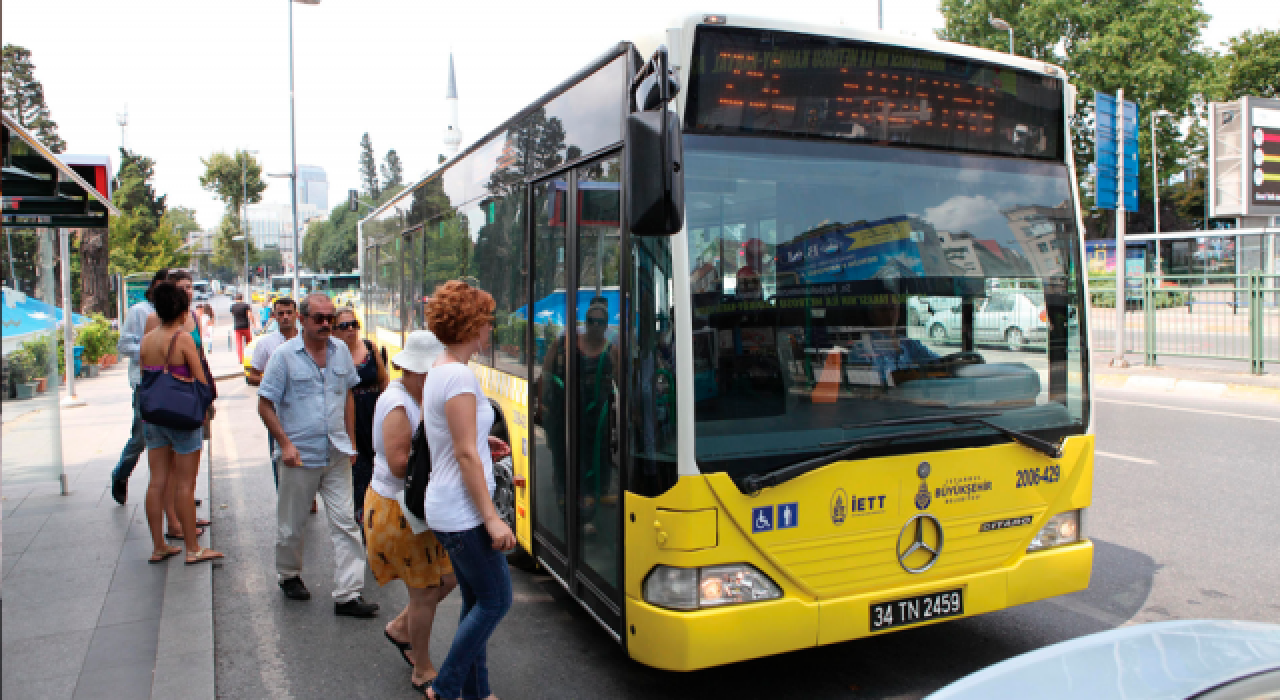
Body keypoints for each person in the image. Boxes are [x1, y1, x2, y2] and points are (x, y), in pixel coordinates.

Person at [257, 292, 378, 617]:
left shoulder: (340, 352)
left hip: (337, 454)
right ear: (302, 320)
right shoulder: (283, 356)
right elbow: (265, 403)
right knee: (291, 526)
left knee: (346, 525)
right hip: (300, 457)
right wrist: (284, 443)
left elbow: (349, 397)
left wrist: (351, 441)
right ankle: (289, 575)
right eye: (319, 319)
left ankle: (348, 595)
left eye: (330, 319)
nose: (326, 324)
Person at [422, 280, 514, 700]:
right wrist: (493, 520)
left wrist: (483, 443)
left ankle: (479, 692)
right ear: (471, 324)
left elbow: (458, 442)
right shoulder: (458, 376)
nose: (490, 330)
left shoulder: (442, 370)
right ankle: (446, 687)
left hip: (447, 505)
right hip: (461, 512)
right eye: (487, 322)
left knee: (475, 600)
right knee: (496, 601)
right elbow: (463, 455)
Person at [364, 330, 456, 692]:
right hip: (399, 508)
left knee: (447, 578)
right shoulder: (398, 405)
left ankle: (401, 629)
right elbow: (401, 464)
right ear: (416, 371)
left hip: (413, 507)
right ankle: (422, 667)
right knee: (425, 589)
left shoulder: (415, 397)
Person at [138, 281, 223, 565]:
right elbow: (200, 381)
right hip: (183, 419)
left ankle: (158, 545)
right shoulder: (183, 339)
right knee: (185, 484)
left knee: (156, 482)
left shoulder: (147, 340)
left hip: (154, 417)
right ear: (184, 310)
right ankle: (193, 548)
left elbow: (146, 380)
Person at [111, 268, 169, 505]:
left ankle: (173, 493)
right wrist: (150, 350)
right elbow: (124, 345)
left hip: (171, 384)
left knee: (171, 440)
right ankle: (121, 473)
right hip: (146, 383)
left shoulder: (175, 313)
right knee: (140, 437)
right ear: (155, 286)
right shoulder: (139, 311)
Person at [333, 306, 389, 524]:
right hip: (350, 418)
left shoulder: (369, 347)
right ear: (335, 331)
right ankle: (362, 518)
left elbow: (383, 379)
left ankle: (379, 513)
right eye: (344, 326)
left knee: (380, 463)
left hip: (374, 414)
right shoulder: (333, 354)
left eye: (354, 324)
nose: (351, 330)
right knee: (358, 470)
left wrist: (388, 409)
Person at [249, 297, 300, 489]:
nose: (285, 317)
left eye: (289, 313)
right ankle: (284, 494)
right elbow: (253, 376)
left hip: (306, 410)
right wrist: (275, 383)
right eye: (281, 314)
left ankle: (308, 496)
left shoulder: (308, 340)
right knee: (281, 454)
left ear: (297, 315)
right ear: (274, 316)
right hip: (278, 413)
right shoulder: (266, 344)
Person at [230, 292, 256, 363]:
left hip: (237, 327)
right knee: (249, 343)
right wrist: (254, 323)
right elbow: (249, 315)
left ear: (236, 299)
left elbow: (233, 314)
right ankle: (249, 357)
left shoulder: (233, 306)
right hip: (245, 326)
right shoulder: (246, 305)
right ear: (242, 298)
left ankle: (241, 359)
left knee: (239, 343)